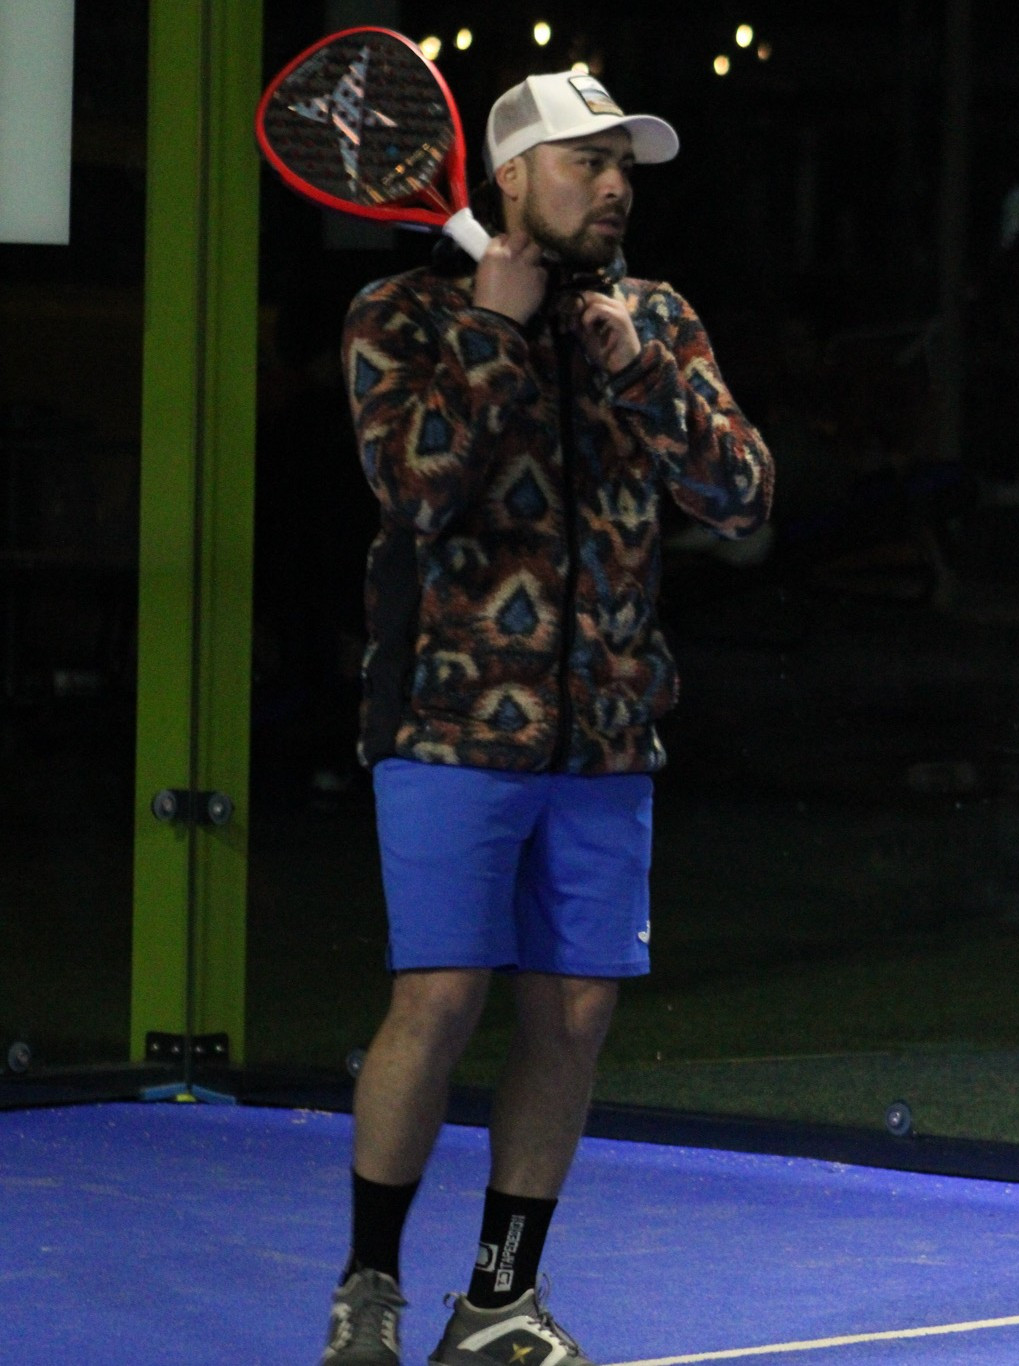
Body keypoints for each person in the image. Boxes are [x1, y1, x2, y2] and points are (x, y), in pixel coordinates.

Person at [321, 70, 774, 1365]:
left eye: (625, 163)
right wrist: (493, 327)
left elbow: (744, 494)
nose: (616, 184)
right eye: (588, 161)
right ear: (511, 177)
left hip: (609, 735)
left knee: (573, 1016)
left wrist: (641, 374)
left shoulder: (654, 316)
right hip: (446, 725)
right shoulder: (402, 311)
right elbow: (414, 485)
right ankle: (368, 1287)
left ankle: (497, 1300)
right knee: (441, 997)